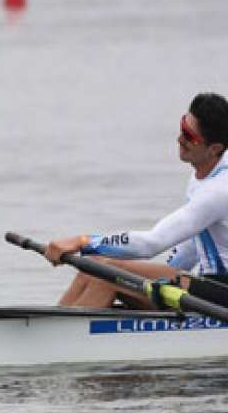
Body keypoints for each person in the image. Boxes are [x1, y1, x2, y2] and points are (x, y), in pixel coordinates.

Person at [44, 92, 228, 309]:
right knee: (95, 267)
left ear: (214, 149)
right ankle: (51, 328)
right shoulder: (202, 176)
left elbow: (152, 243)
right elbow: (192, 248)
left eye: (189, 135)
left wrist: (83, 242)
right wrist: (150, 278)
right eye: (182, 127)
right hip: (209, 286)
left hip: (222, 291)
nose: (179, 139)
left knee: (108, 274)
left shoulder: (219, 190)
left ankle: (63, 338)